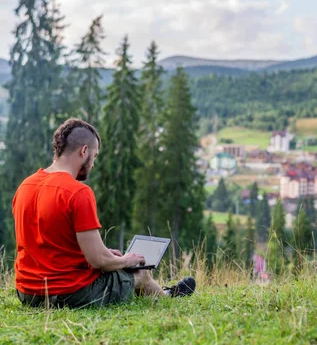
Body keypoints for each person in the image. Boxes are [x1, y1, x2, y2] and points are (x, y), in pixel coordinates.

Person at [13, 118, 195, 308]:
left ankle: (163, 293)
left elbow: (51, 243)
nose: (93, 164)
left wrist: (107, 254)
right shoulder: (78, 192)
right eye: (95, 156)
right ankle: (167, 297)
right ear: (84, 151)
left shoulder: (25, 186)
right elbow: (98, 261)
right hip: (68, 295)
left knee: (114, 264)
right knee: (141, 273)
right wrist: (125, 260)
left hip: (27, 294)